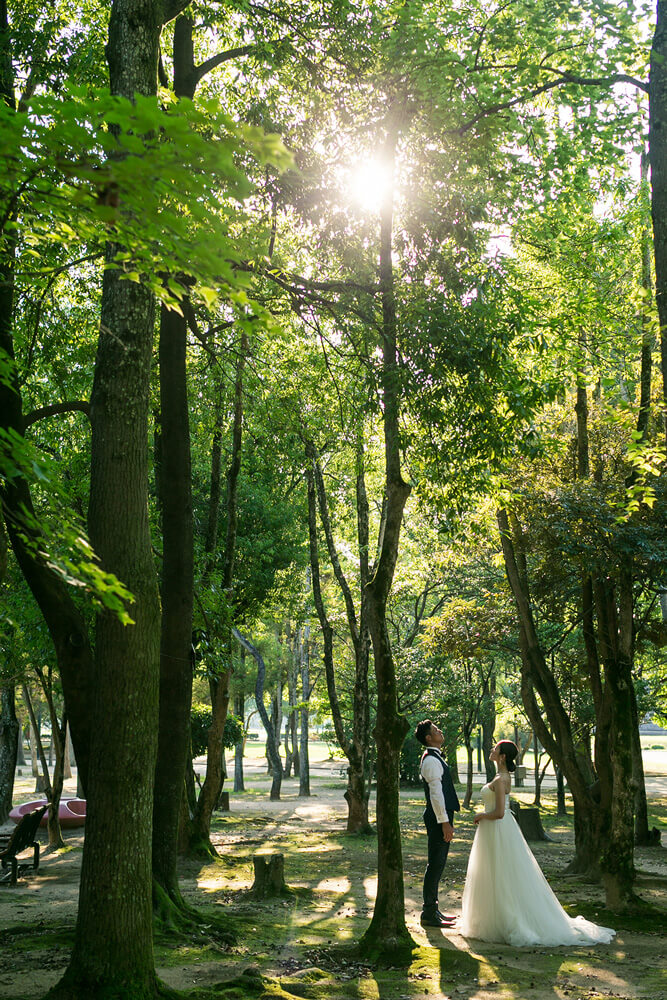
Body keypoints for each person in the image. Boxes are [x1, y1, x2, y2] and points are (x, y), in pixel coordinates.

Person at [459, 740, 616, 946]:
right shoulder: (501, 777)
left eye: (495, 749)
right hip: (495, 830)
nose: (492, 750)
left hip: (497, 828)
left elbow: (498, 813)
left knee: (500, 873)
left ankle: (506, 920)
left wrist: (481, 814)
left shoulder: (500, 779)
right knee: (494, 873)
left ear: (503, 756)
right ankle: (492, 918)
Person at [415, 719, 460, 927]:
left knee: (438, 862)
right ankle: (429, 912)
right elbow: (436, 795)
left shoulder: (435, 758)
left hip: (441, 816)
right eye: (435, 730)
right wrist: (444, 822)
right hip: (437, 817)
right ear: (428, 738)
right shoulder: (431, 760)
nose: (440, 731)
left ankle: (433, 909)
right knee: (435, 863)